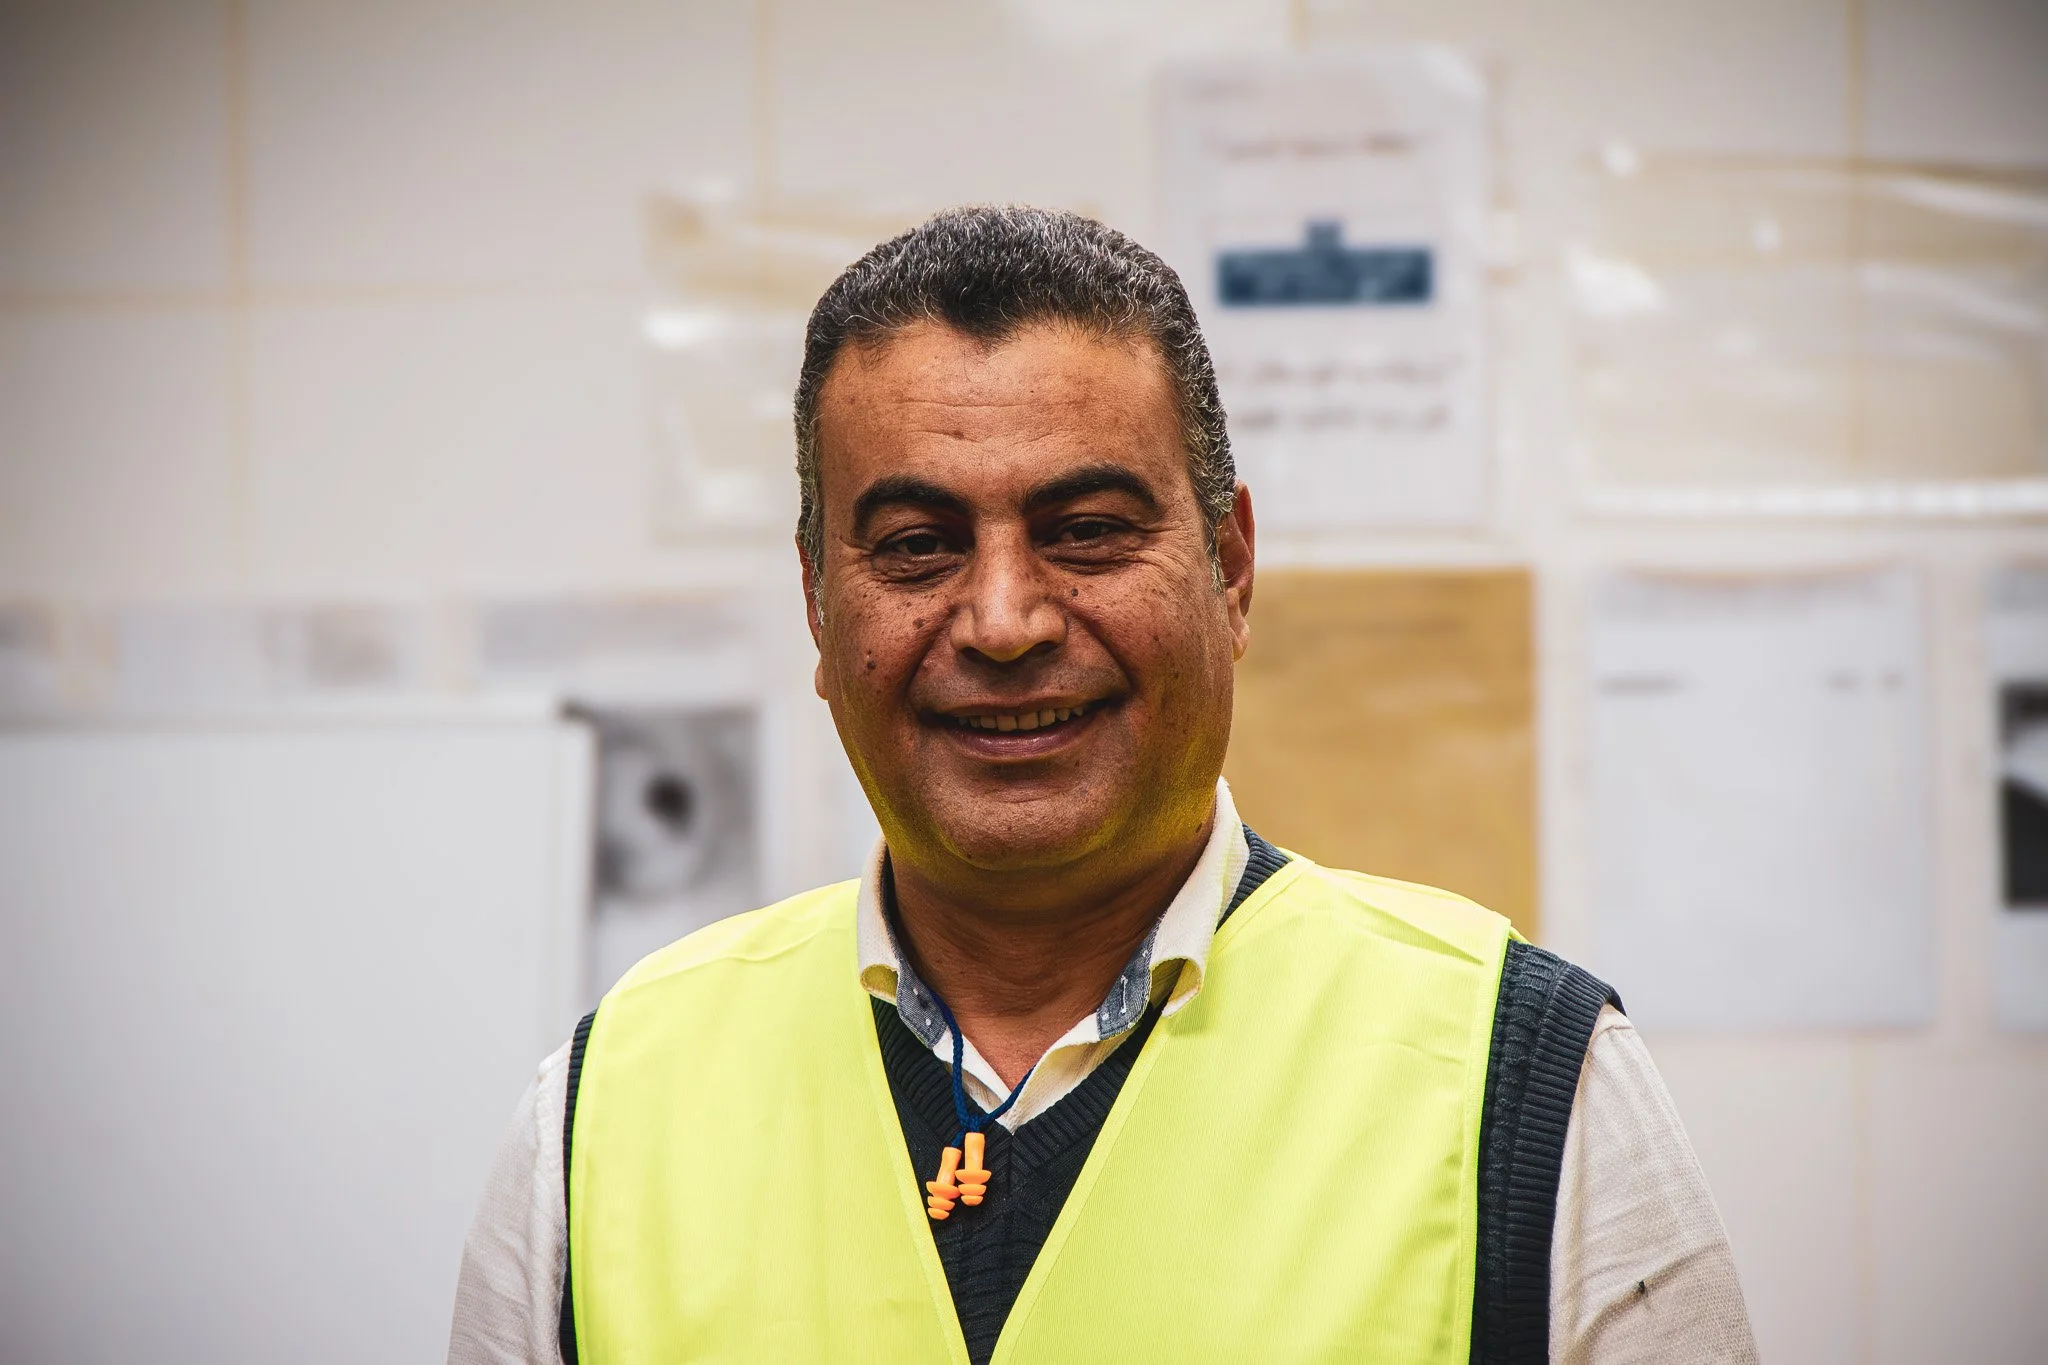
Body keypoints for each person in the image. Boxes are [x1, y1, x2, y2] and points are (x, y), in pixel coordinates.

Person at [448, 206, 1755, 1364]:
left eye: (1086, 533)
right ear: (817, 605)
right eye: (917, 546)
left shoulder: (1527, 1085)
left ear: (1230, 570)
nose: (1004, 620)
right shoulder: (603, 1116)